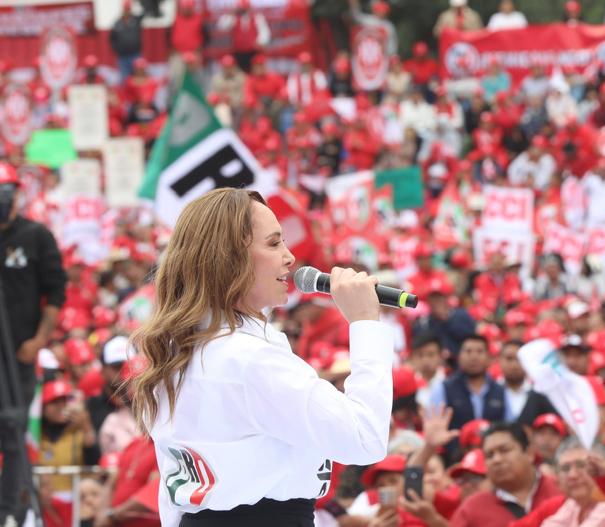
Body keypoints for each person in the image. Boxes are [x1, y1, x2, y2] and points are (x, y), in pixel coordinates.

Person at [129, 188, 392, 526]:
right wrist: (365, 322)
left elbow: (176, 492)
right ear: (230, 259)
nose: (290, 257)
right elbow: (365, 438)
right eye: (273, 243)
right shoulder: (249, 359)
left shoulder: (179, 352)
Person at [0, 162, 67, 524]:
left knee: (13, 430)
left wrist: (39, 340)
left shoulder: (36, 236)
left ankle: (8, 512)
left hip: (20, 355)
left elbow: (56, 292)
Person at [446, 423, 562, 526]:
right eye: (489, 455)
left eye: (504, 450)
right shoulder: (472, 508)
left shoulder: (561, 489)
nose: (496, 460)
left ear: (529, 453)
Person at [110, 0, 144, 79]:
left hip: (136, 54)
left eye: (128, 9)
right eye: (126, 9)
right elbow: (112, 38)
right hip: (123, 56)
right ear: (123, 9)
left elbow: (145, 12)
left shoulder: (136, 20)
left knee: (138, 78)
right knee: (125, 78)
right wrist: (117, 49)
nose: (127, 11)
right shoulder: (117, 23)